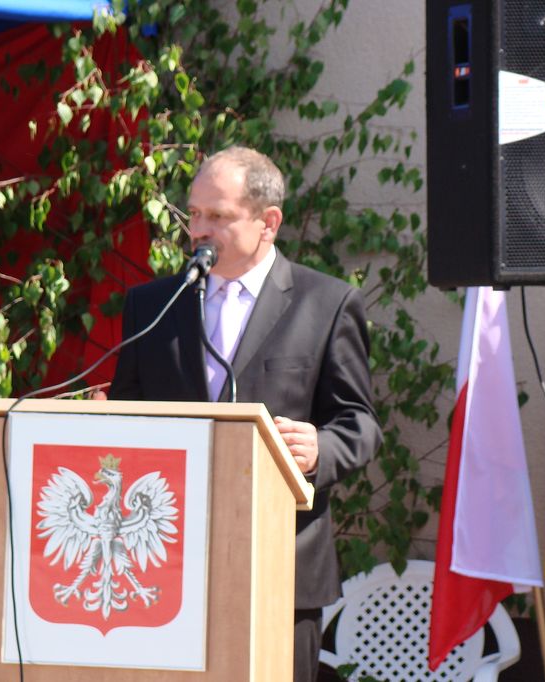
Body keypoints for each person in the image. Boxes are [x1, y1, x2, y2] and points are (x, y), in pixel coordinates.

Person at [109, 146, 382, 682]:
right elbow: (127, 415)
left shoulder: (325, 304)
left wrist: (319, 449)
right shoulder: (152, 305)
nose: (198, 230)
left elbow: (360, 424)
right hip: (164, 566)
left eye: (218, 216)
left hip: (280, 564)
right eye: (194, 214)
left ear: (268, 223)